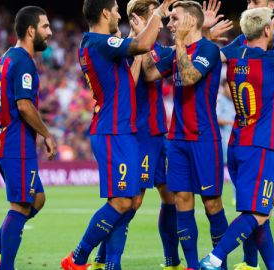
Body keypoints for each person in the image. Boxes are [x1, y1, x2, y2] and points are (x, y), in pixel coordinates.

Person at [199, 3, 274, 270]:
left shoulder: (234, 55)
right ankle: (214, 257)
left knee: (257, 213)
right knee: (257, 213)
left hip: (236, 142)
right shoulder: (272, 60)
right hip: (261, 145)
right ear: (268, 30)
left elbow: (211, 56)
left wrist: (204, 32)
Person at [61, 0, 175, 269]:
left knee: (127, 200)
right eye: (114, 10)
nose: (117, 15)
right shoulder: (99, 42)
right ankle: (77, 257)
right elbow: (144, 46)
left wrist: (134, 40)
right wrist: (156, 15)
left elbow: (131, 77)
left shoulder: (100, 45)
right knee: (123, 200)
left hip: (122, 130)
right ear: (104, 13)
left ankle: (108, 263)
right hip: (113, 130)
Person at [143, 1, 229, 269]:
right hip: (177, 139)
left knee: (212, 204)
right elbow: (149, 74)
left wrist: (179, 44)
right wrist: (145, 44)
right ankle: (192, 264)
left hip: (204, 138)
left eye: (175, 19)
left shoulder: (208, 49)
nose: (170, 24)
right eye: (169, 20)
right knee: (181, 200)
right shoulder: (178, 50)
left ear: (191, 21)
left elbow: (190, 76)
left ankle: (219, 264)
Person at [0, 6, 57, 270]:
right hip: (16, 145)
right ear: (31, 30)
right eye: (45, 27)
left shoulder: (5, 59)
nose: (50, 32)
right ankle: (4, 265)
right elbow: (24, 105)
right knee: (21, 206)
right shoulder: (23, 61)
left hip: (7, 142)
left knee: (37, 199)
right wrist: (46, 134)